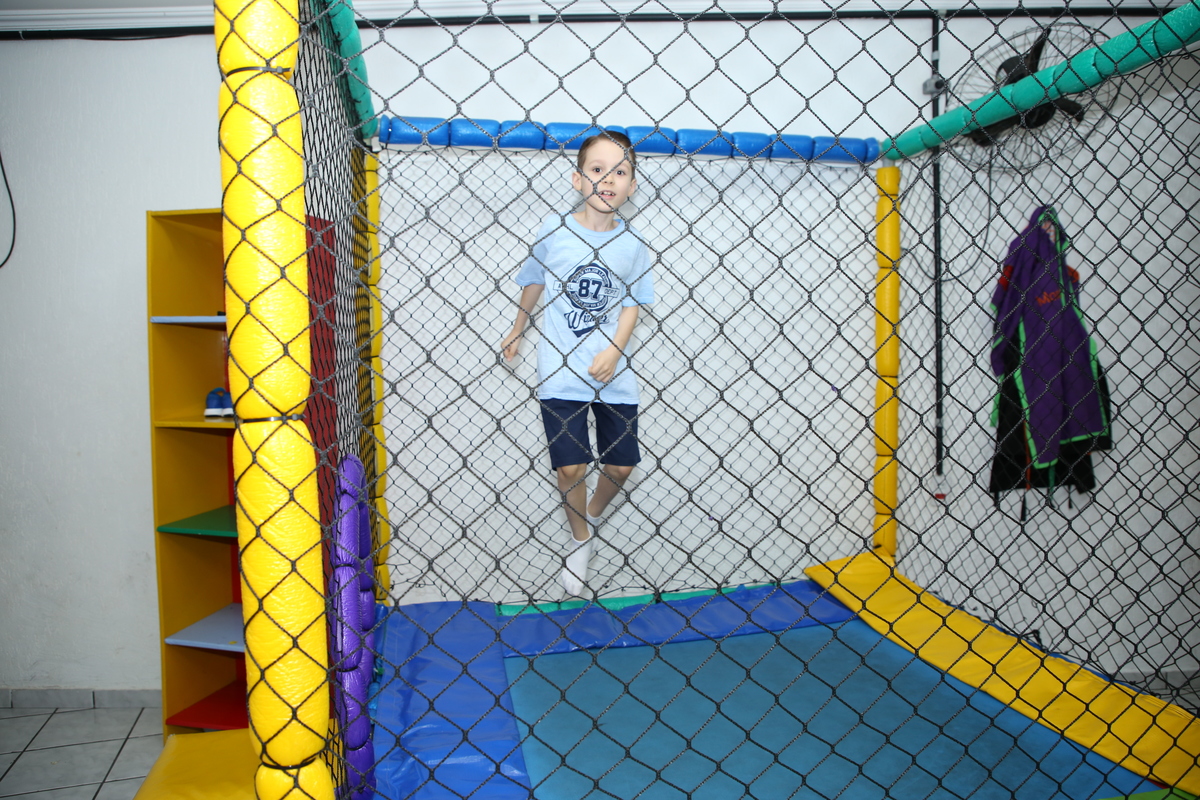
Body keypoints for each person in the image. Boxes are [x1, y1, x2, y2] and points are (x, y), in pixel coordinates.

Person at [502, 130, 655, 598]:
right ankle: (580, 537)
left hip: (612, 373)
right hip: (561, 369)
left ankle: (590, 514)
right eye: (597, 169)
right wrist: (518, 328)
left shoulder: (633, 243)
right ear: (577, 179)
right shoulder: (554, 230)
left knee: (621, 467)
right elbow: (533, 280)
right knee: (570, 468)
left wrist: (615, 350)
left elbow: (632, 302)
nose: (608, 179)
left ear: (631, 186)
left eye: (620, 172)